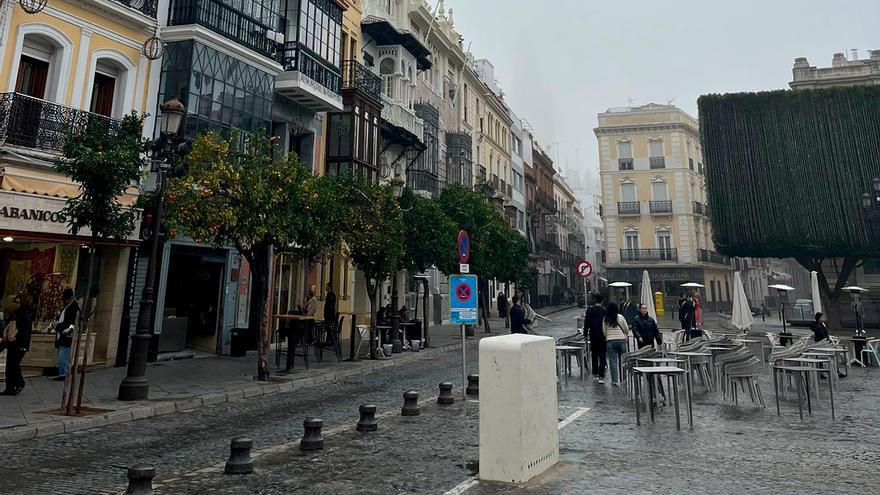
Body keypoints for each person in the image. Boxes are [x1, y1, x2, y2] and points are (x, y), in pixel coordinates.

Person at [2, 295, 33, 395]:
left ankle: (19, 382)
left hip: (19, 344)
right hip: (12, 343)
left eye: (17, 302)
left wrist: (22, 345)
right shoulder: (14, 314)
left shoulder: (25, 314)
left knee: (14, 364)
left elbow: (25, 332)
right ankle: (9, 388)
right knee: (10, 365)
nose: (15, 304)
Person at [54, 288, 79, 381]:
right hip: (63, 332)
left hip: (66, 334)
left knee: (63, 355)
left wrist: (70, 328)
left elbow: (73, 321)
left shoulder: (73, 306)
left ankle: (63, 374)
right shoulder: (67, 306)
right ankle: (63, 373)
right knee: (63, 354)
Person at [603, 303, 629, 387]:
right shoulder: (620, 317)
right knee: (623, 361)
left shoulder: (605, 319)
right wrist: (625, 334)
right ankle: (623, 378)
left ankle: (614, 380)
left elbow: (604, 331)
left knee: (613, 361)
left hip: (610, 341)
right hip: (621, 340)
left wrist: (608, 337)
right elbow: (626, 329)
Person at [584, 294, 607, 383]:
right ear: (602, 301)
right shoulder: (604, 311)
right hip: (602, 335)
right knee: (602, 355)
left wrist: (585, 334)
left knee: (594, 354)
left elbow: (586, 323)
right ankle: (601, 375)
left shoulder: (590, 310)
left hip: (593, 334)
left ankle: (595, 373)